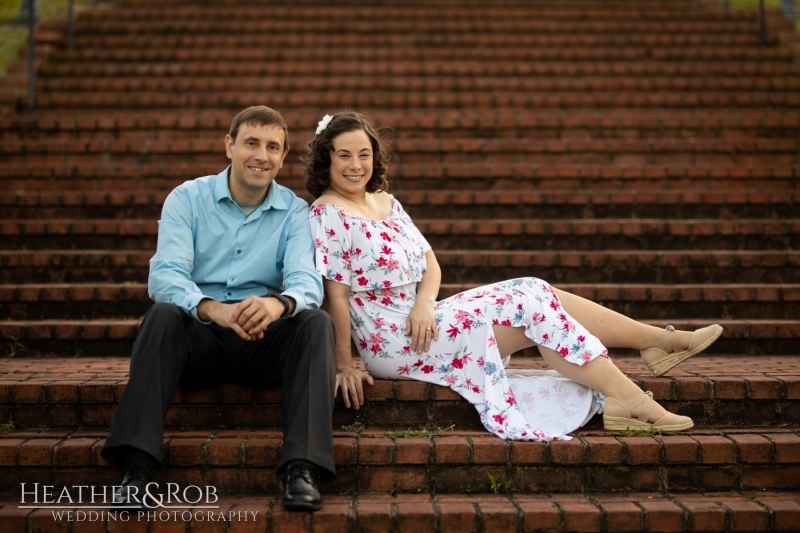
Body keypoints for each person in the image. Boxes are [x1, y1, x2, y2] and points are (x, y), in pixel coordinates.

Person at [304, 111, 723, 441]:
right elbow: (336, 297)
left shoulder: (385, 202)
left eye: (364, 153)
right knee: (529, 306)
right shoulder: (328, 213)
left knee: (534, 289)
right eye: (344, 154)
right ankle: (632, 398)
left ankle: (655, 346)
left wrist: (423, 303)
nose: (356, 164)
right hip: (395, 342)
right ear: (327, 158)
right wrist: (344, 364)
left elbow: (430, 263)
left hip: (423, 317)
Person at [102, 106, 335, 512]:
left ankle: (303, 468)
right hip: (200, 340)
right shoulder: (187, 199)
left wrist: (277, 304)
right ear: (229, 145)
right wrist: (211, 309)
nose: (261, 155)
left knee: (315, 322)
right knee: (162, 314)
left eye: (272, 147)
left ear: (283, 156)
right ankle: (135, 469)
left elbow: (306, 281)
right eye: (251, 143)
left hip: (262, 339)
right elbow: (166, 276)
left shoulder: (296, 212)